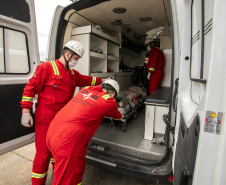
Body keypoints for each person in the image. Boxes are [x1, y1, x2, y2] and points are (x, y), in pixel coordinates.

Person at [20, 40, 104, 185]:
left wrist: (103, 80)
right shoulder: (46, 68)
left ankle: (57, 177)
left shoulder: (71, 74)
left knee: (59, 151)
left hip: (62, 120)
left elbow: (87, 80)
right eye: (75, 59)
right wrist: (26, 111)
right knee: (43, 155)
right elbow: (30, 89)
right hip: (45, 119)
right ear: (67, 54)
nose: (75, 62)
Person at [46, 79, 122, 185]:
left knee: (68, 167)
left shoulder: (85, 90)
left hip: (52, 131)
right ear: (113, 94)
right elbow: (117, 116)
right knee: (64, 178)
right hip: (67, 139)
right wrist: (120, 113)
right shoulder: (108, 101)